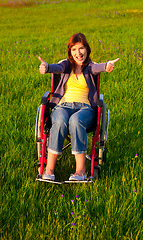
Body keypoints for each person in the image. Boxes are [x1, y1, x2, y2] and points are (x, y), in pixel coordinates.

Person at [38, 33, 119, 181]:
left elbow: (97, 68)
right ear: (70, 51)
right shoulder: (65, 64)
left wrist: (106, 66)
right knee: (61, 119)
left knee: (75, 121)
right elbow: (56, 68)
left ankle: (80, 172)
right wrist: (47, 67)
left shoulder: (90, 67)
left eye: (81, 48)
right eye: (74, 49)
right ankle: (49, 170)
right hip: (63, 106)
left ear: (87, 49)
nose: (78, 53)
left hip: (85, 109)